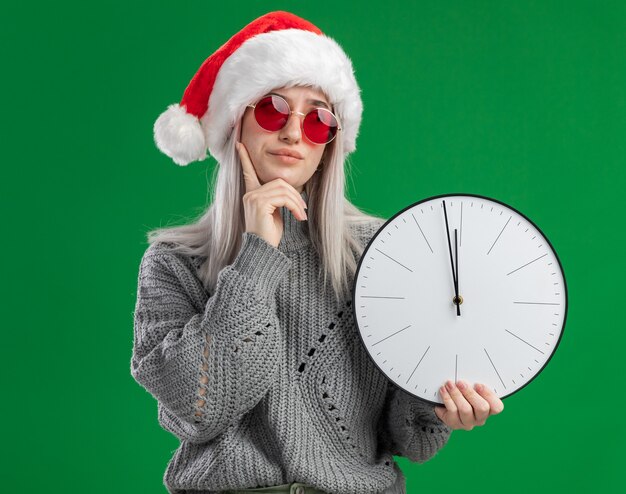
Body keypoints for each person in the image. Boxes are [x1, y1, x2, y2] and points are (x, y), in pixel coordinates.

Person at [130, 11, 504, 494]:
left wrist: (438, 404)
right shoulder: (173, 263)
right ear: (232, 125)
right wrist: (257, 254)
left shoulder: (380, 253)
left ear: (331, 144)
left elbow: (406, 437)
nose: (292, 132)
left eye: (318, 119)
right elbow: (202, 406)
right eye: (272, 109)